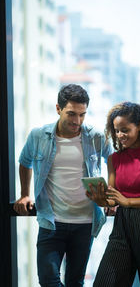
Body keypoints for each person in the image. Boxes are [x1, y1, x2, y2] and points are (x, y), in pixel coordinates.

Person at [13, 84, 113, 287]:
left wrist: (112, 195)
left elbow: (112, 160)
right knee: (48, 281)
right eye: (71, 114)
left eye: (82, 114)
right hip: (51, 222)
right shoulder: (39, 136)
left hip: (85, 223)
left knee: (75, 282)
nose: (77, 121)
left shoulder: (95, 136)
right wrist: (24, 194)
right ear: (58, 108)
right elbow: (25, 161)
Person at [87, 102, 140, 287]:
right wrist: (101, 199)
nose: (120, 135)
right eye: (116, 131)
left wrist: (127, 201)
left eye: (125, 130)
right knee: (104, 283)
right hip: (121, 228)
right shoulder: (114, 159)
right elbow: (113, 197)